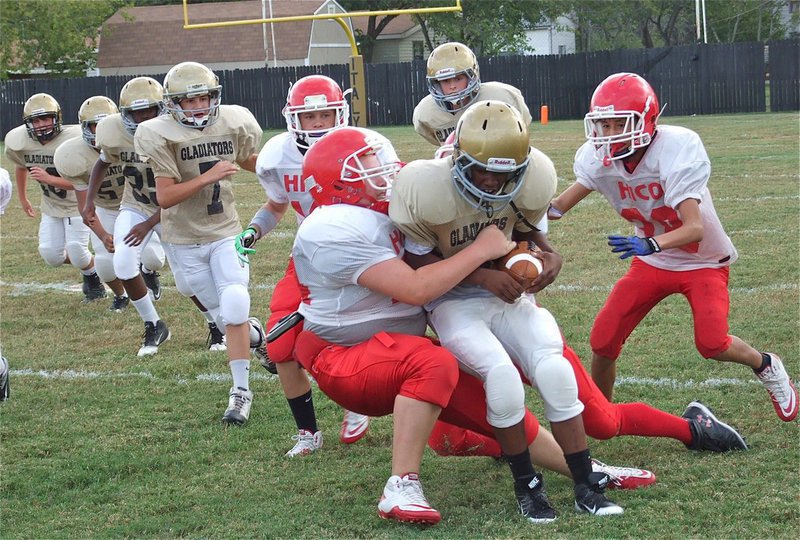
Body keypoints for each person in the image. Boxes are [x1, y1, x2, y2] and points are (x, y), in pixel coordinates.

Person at [424, 137, 748, 459]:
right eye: (472, 174)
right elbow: (414, 278)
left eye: (493, 174)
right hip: (462, 326)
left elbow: (542, 245)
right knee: (449, 440)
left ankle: (693, 428)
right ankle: (522, 448)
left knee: (602, 423)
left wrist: (550, 259)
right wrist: (481, 275)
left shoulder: (512, 198)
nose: (485, 184)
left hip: (517, 323)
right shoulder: (424, 208)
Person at [391, 101, 624, 519]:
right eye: (482, 169)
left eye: (504, 173)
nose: (491, 181)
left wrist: (552, 257)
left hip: (511, 297)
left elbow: (529, 231)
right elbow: (418, 264)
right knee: (501, 379)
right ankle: (527, 486)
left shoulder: (531, 180)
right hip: (453, 301)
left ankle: (586, 484)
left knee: (555, 370)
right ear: (459, 157)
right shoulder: (427, 188)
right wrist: (482, 277)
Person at [548, 72, 797, 422]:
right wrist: (518, 204)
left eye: (617, 124)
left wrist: (650, 243)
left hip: (702, 261)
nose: (607, 135)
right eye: (603, 125)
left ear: (646, 120)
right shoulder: (596, 160)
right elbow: (556, 208)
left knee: (712, 343)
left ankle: (766, 364)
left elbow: (694, 228)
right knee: (603, 340)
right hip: (653, 261)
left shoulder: (676, 148)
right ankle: (600, 415)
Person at [236, 75, 371, 456]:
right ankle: (308, 432)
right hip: (309, 256)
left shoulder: (362, 147)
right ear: (293, 118)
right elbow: (277, 206)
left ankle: (357, 402)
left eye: (324, 115)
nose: (317, 124)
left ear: (339, 114)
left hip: (361, 256)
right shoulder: (277, 156)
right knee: (279, 345)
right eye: (308, 117)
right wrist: (253, 230)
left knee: (354, 334)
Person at [135, 61, 265, 425]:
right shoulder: (159, 134)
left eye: (204, 97)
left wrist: (286, 171)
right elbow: (164, 198)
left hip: (225, 231)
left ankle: (240, 393)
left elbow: (252, 161)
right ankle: (258, 337)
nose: (198, 106)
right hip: (182, 239)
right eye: (189, 100)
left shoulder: (232, 122)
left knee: (236, 303)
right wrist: (208, 175)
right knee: (229, 323)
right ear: (173, 104)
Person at [83, 76, 227, 356]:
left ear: (162, 108)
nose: (143, 117)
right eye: (136, 112)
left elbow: (177, 190)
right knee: (123, 265)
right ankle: (154, 324)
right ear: (124, 114)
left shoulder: (175, 131)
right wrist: (89, 201)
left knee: (187, 282)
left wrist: (149, 224)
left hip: (174, 208)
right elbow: (102, 163)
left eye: (149, 110)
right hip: (136, 203)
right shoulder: (113, 133)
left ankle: (215, 325)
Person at [4, 93, 106, 303]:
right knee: (51, 255)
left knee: (77, 251)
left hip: (76, 205)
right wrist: (23, 198)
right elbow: (22, 166)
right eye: (36, 120)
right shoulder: (20, 142)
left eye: (46, 118)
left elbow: (85, 181)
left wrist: (49, 179)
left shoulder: (75, 139)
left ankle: (94, 281)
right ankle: (96, 265)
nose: (41, 125)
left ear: (56, 118)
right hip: (51, 206)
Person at [54, 96, 130, 312]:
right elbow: (84, 207)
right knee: (105, 265)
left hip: (136, 205)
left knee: (152, 258)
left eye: (105, 124)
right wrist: (103, 235)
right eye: (94, 126)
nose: (100, 131)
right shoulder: (73, 155)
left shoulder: (130, 140)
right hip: (105, 207)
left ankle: (149, 274)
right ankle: (121, 295)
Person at [413, 41, 531, 146]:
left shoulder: (501, 97)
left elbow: (521, 127)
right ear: (436, 84)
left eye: (458, 79)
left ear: (471, 77)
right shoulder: (426, 111)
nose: (452, 86)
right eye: (445, 81)